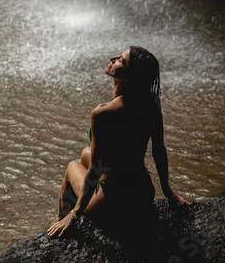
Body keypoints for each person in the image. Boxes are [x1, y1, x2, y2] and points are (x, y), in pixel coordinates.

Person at [47, 46, 191, 238]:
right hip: (142, 195)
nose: (112, 58)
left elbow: (96, 169)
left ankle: (61, 220)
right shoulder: (152, 100)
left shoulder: (103, 112)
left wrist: (75, 213)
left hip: (112, 201)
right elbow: (158, 149)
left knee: (72, 166)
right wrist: (168, 192)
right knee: (85, 153)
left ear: (129, 75)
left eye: (121, 60)